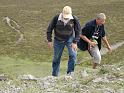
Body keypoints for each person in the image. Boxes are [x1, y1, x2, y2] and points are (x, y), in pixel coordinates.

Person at [47, 6, 81, 76]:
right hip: (58, 40)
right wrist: (49, 40)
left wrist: (75, 42)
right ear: (62, 13)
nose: (66, 18)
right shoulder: (56, 18)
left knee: (73, 55)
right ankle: (55, 75)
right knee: (56, 58)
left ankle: (70, 73)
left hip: (70, 39)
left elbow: (78, 31)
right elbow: (49, 29)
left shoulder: (74, 19)